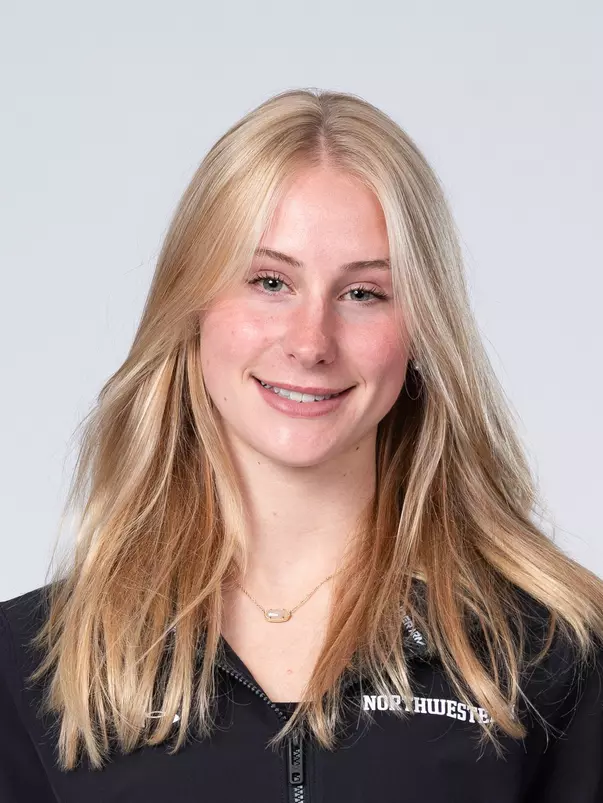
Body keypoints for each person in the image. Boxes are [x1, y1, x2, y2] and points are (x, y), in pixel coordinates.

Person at [1, 87, 602, 803]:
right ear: (191, 306)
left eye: (363, 294)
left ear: (420, 331)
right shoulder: (29, 663)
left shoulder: (550, 651)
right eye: (269, 281)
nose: (310, 342)